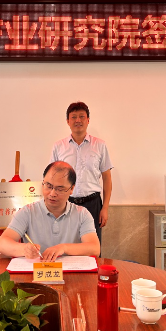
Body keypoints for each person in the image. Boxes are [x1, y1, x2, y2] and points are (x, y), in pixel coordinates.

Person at [0, 161, 100, 261]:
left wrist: (63, 248)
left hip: (69, 271)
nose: (52, 194)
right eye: (48, 186)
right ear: (42, 183)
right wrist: (24, 249)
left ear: (72, 189)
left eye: (60, 189)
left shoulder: (82, 214)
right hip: (37, 271)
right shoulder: (28, 212)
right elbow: (1, 244)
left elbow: (94, 249)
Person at [50, 101, 113, 243]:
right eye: (73, 117)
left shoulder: (100, 145)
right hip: (66, 203)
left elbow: (107, 178)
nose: (77, 120)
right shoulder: (58, 147)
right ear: (68, 121)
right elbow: (52, 179)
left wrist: (105, 208)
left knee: (92, 247)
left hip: (93, 204)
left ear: (88, 120)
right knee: (66, 246)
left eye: (81, 116)